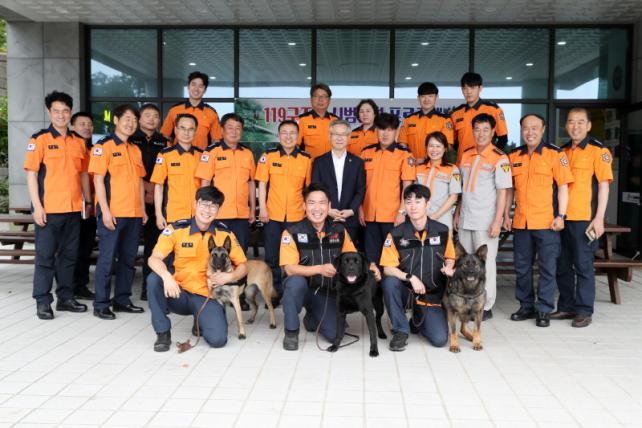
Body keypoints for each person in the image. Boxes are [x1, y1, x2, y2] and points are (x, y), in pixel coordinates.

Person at [280, 182, 380, 351]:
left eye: (322, 203)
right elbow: (289, 268)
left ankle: (312, 317)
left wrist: (371, 267)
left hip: (327, 292)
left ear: (329, 206)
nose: (317, 208)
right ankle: (291, 332)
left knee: (335, 334)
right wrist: (319, 269)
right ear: (304, 206)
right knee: (294, 283)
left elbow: (353, 256)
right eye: (312, 203)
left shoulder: (339, 230)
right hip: (303, 289)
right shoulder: (291, 232)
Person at [147, 186, 248, 351]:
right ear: (195, 204)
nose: (208, 210)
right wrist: (166, 276)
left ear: (218, 210)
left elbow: (243, 265)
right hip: (178, 293)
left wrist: (230, 277)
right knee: (154, 279)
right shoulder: (176, 229)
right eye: (204, 204)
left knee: (218, 340)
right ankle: (162, 333)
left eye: (213, 206)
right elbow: (154, 259)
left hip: (208, 296)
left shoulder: (225, 233)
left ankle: (199, 320)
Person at [24, 91, 92, 319]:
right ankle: (43, 301)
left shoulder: (78, 141)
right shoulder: (39, 139)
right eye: (56, 111)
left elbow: (83, 174)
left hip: (73, 209)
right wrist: (37, 206)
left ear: (70, 112)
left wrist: (87, 200)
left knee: (69, 256)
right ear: (49, 112)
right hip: (49, 209)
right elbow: (32, 175)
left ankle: (65, 297)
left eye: (65, 111)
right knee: (45, 257)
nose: (61, 115)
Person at [504, 114, 574, 327]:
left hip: (547, 223)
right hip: (522, 223)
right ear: (521, 131)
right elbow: (509, 189)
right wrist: (506, 214)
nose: (530, 132)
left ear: (543, 130)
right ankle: (526, 306)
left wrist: (561, 216)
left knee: (547, 268)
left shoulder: (555, 154)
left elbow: (563, 187)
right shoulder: (514, 156)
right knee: (522, 267)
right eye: (526, 128)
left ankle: (544, 309)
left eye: (535, 127)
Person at [553, 108, 613, 328]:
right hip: (562, 219)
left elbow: (604, 186)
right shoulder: (562, 151)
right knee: (562, 264)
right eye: (571, 122)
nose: (575, 126)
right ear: (566, 126)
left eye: (580, 122)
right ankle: (566, 306)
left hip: (584, 219)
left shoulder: (599, 151)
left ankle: (584, 310)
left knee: (583, 265)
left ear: (588, 125)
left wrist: (599, 218)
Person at [89, 104, 148, 320]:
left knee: (128, 259)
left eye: (134, 120)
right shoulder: (103, 146)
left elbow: (139, 182)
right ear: (116, 120)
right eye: (127, 119)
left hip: (133, 213)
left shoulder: (135, 149)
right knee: (107, 259)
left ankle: (122, 300)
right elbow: (98, 180)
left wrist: (142, 210)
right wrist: (105, 211)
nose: (131, 123)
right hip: (113, 213)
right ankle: (101, 303)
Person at [381, 184, 456, 351]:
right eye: (408, 202)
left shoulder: (443, 231)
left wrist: (449, 267)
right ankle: (400, 331)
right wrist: (410, 278)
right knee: (390, 282)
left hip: (430, 294)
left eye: (418, 201)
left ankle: (418, 319)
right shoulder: (396, 234)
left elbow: (450, 257)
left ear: (427, 204)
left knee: (440, 340)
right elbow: (387, 268)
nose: (413, 206)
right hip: (406, 291)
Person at [454, 113, 512, 321]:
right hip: (466, 218)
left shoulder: (500, 157)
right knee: (465, 263)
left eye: (485, 129)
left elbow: (503, 191)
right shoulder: (466, 155)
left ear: (493, 131)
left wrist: (498, 220)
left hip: (486, 221)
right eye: (477, 129)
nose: (481, 134)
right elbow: (462, 189)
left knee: (485, 264)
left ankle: (485, 306)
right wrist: (458, 212)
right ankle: (467, 302)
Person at [255, 120, 312, 301]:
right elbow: (262, 184)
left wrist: (308, 212)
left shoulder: (306, 159)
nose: (288, 136)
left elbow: (309, 189)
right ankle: (274, 293)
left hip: (297, 216)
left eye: (292, 133)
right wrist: (262, 208)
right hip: (272, 215)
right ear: (278, 135)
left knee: (295, 257)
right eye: (284, 133)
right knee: (272, 257)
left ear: (298, 136)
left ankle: (292, 291)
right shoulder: (268, 156)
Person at [359, 113, 416, 267]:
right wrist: (359, 208)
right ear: (376, 130)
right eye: (382, 129)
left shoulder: (404, 154)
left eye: (390, 130)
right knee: (372, 258)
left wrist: (402, 212)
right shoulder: (366, 152)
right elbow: (359, 185)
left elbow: (407, 186)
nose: (385, 134)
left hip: (393, 217)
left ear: (396, 132)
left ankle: (390, 283)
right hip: (369, 216)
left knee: (393, 258)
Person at [195, 113, 256, 252]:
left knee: (240, 254)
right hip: (218, 214)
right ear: (222, 130)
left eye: (238, 128)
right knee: (216, 255)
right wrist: (204, 210)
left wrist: (252, 210)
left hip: (242, 215)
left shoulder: (247, 153)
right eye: (230, 127)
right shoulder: (212, 151)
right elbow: (205, 182)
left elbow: (251, 183)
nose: (234, 131)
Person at [129, 103, 169, 300]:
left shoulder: (164, 142)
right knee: (128, 247)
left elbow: (166, 172)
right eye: (147, 115)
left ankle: (148, 288)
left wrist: (153, 189)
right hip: (132, 199)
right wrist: (145, 187)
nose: (152, 119)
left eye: (155, 116)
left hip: (157, 201)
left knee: (154, 247)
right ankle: (123, 292)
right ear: (139, 119)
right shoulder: (130, 139)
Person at [311, 119, 366, 243]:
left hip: (349, 219)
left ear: (349, 137)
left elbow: (361, 189)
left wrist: (351, 210)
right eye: (336, 134)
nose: (339, 138)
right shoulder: (319, 161)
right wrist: (327, 209)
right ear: (330, 136)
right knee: (326, 252)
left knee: (348, 253)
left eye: (343, 134)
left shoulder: (357, 162)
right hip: (325, 218)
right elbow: (315, 189)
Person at [151, 113, 202, 230]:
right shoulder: (165, 155)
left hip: (199, 215)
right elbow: (159, 186)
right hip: (174, 215)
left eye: (191, 129)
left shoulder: (202, 156)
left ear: (195, 131)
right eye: (182, 128)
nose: (186, 132)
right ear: (175, 129)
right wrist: (158, 214)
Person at [451, 73, 508, 163]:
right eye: (465, 88)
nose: (468, 92)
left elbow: (503, 138)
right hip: (462, 163)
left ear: (480, 88)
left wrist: (492, 157)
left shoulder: (493, 109)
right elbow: (454, 141)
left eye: (472, 87)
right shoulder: (456, 113)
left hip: (486, 163)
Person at [70, 111, 97, 300]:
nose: (87, 127)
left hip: (90, 208)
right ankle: (68, 286)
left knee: (86, 248)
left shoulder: (94, 150)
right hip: (72, 207)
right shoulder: (70, 147)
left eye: (89, 124)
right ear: (73, 126)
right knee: (71, 249)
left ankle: (81, 286)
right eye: (82, 124)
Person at [160, 71, 222, 150]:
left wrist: (208, 155)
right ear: (188, 87)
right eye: (193, 84)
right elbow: (165, 135)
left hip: (201, 156)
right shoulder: (174, 110)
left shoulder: (211, 113)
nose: (196, 89)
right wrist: (170, 152)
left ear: (205, 90)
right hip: (177, 155)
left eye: (200, 86)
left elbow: (216, 140)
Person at [415, 131, 461, 230]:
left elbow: (454, 197)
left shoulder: (453, 169)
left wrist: (434, 216)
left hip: (442, 220)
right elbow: (413, 195)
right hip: (419, 220)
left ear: (445, 149)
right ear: (426, 148)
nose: (434, 150)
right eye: (431, 146)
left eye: (438, 146)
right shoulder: (418, 169)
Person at [398, 82, 454, 163]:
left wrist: (425, 159)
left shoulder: (445, 120)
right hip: (411, 165)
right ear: (418, 98)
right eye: (423, 96)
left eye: (430, 96)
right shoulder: (408, 120)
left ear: (436, 97)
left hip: (435, 165)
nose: (426, 100)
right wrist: (411, 160)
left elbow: (447, 145)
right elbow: (402, 144)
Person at [296, 83, 339, 159]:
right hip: (310, 164)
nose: (320, 99)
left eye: (324, 96)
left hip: (332, 164)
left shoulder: (336, 121)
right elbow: (295, 146)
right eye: (316, 96)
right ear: (311, 99)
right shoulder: (301, 120)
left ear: (329, 100)